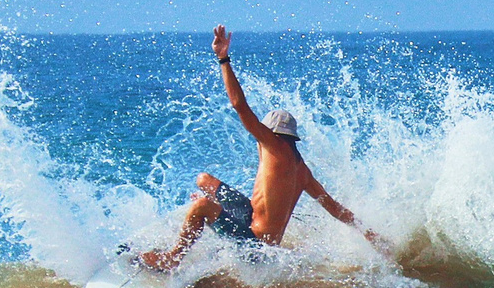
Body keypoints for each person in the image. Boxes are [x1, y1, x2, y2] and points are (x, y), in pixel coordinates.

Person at [140, 27, 383, 270]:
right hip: (251, 221)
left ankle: (172, 259)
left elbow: (239, 104)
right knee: (204, 180)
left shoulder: (274, 146)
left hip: (254, 247)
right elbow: (336, 209)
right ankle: (212, 216)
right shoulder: (303, 172)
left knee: (201, 206)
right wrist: (372, 236)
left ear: (272, 133)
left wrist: (223, 59)